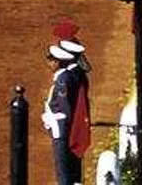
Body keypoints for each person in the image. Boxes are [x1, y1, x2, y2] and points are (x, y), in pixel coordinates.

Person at [42, 31, 91, 185]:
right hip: (69, 128)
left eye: (52, 60)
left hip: (62, 130)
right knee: (71, 170)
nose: (49, 63)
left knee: (64, 172)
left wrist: (52, 122)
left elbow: (64, 109)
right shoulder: (76, 74)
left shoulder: (64, 79)